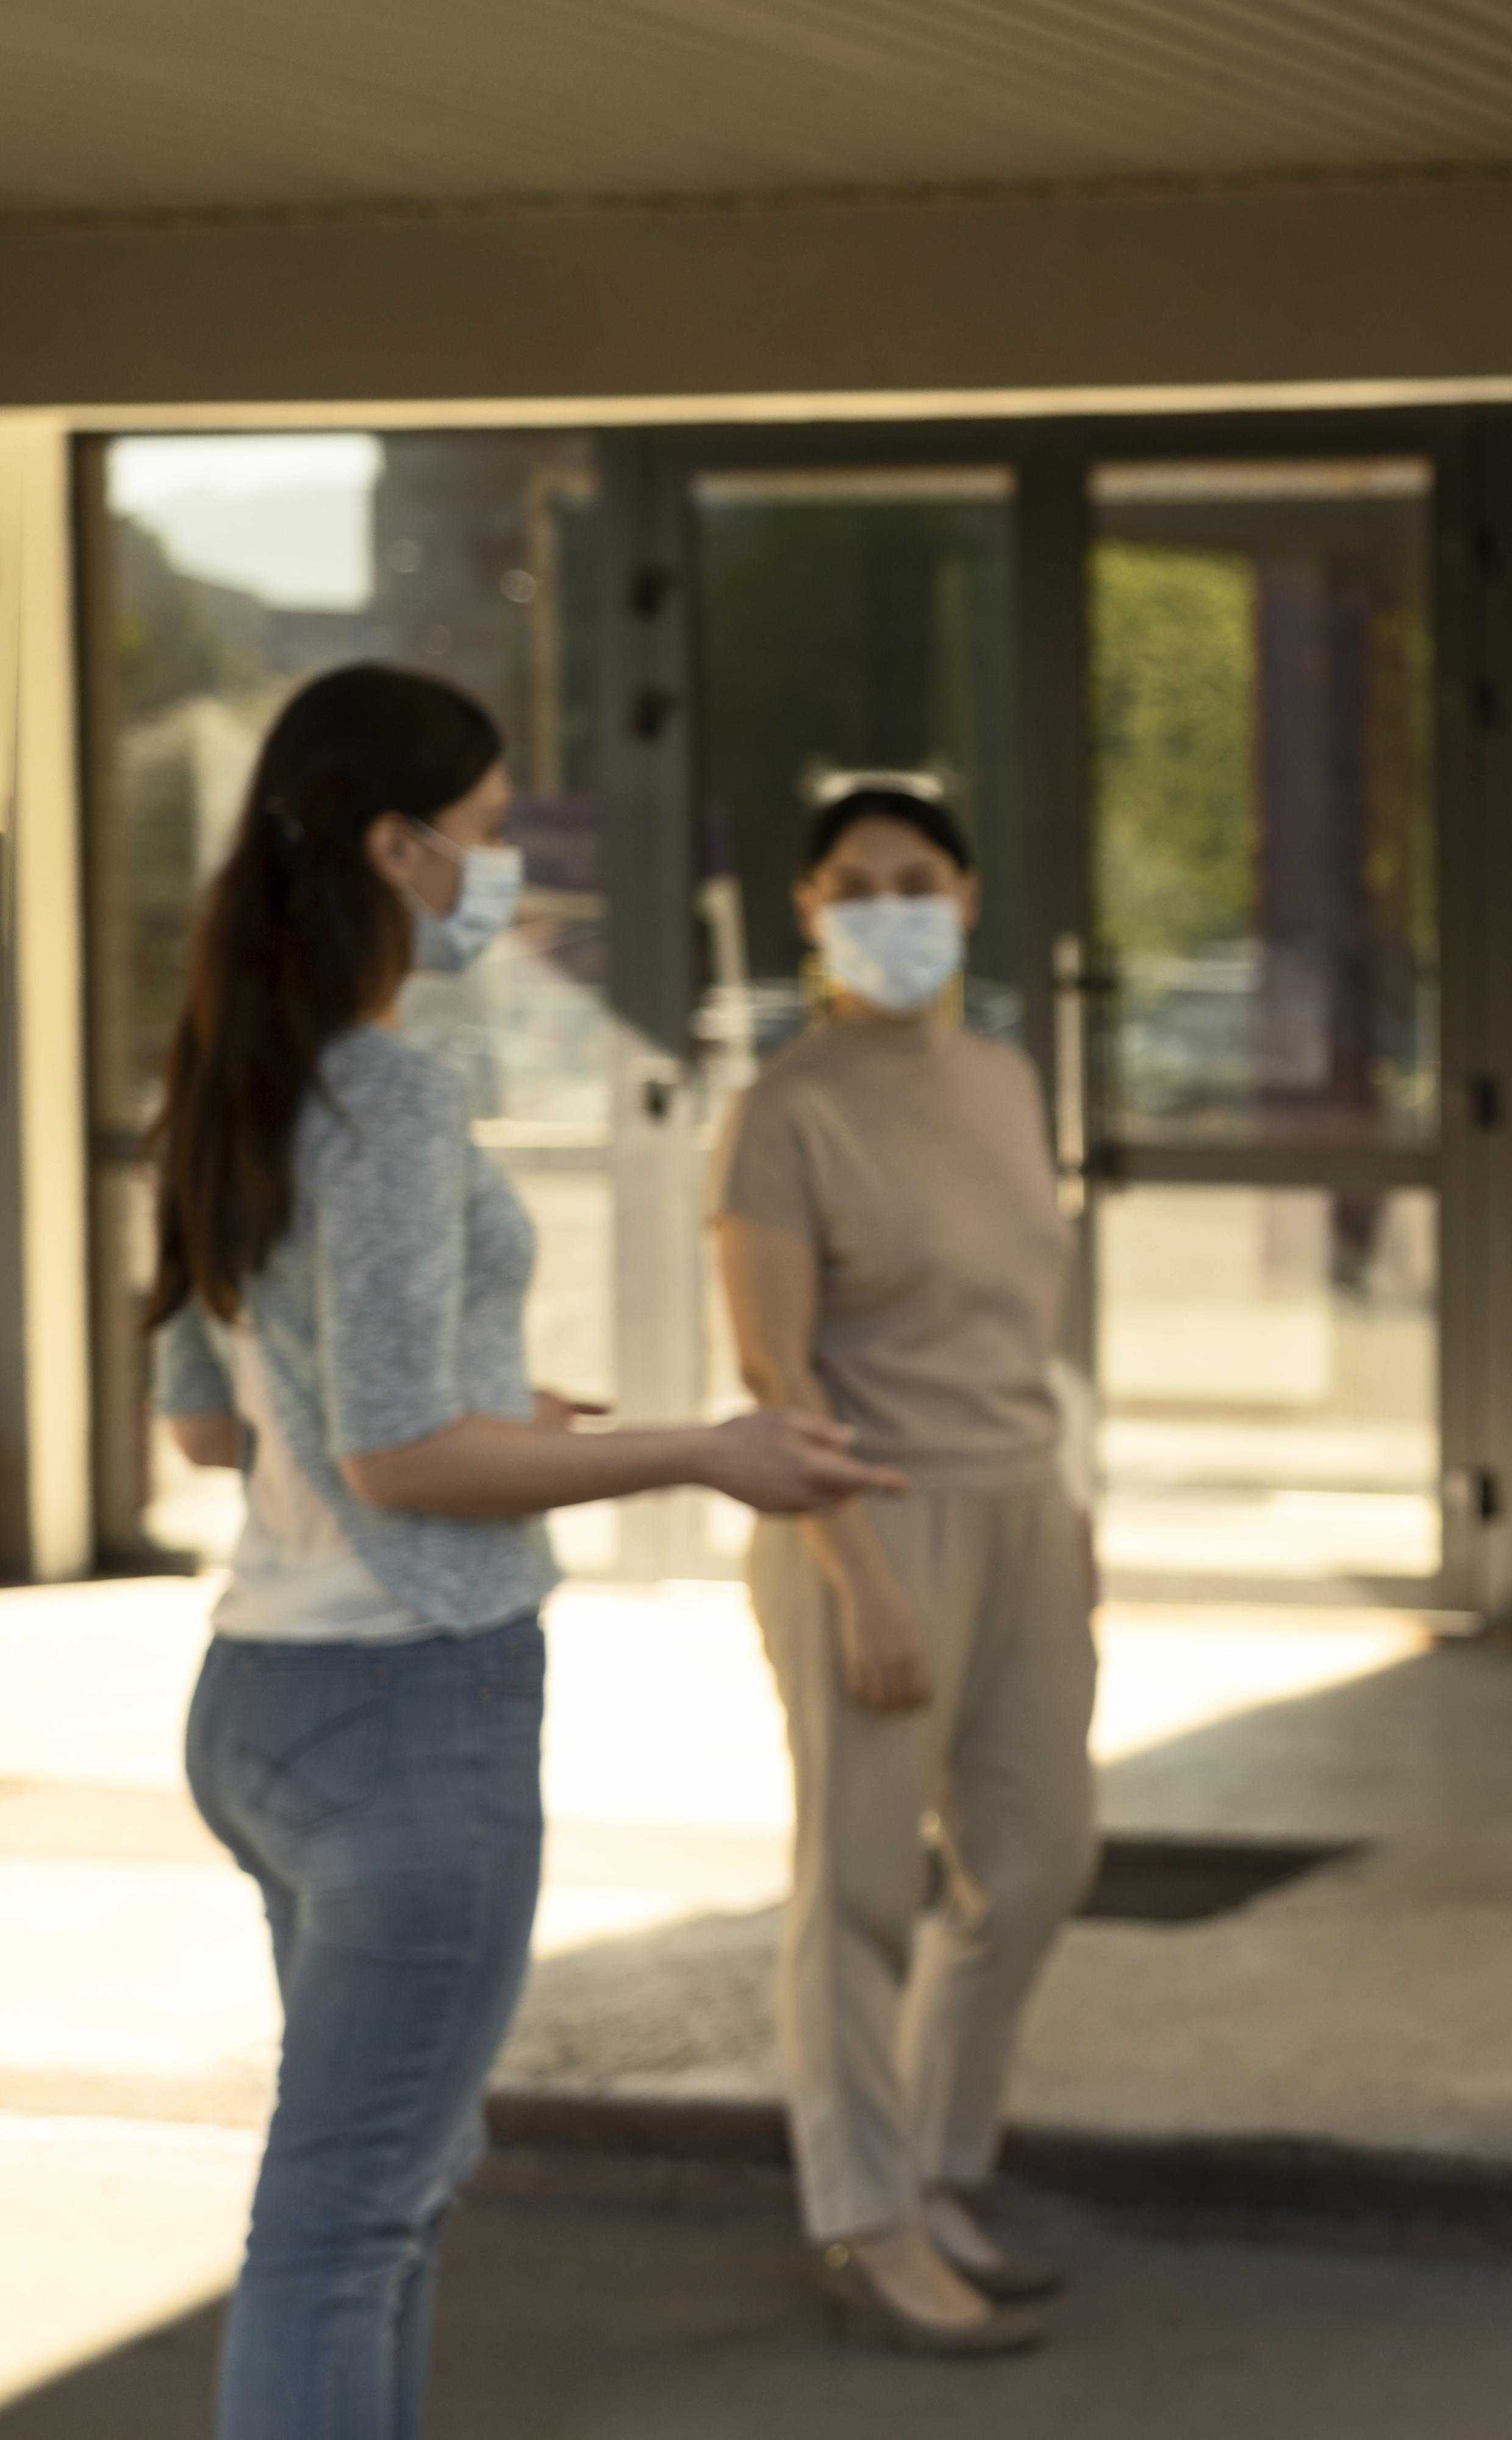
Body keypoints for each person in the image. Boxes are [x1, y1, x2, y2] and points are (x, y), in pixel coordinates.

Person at [149, 664, 901, 2440]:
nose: (509, 872)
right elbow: (399, 1455)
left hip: (262, 1700)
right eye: (487, 837)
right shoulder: (386, 1097)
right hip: (411, 1714)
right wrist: (705, 1449)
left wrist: (517, 1400)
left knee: (368, 2211)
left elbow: (216, 1415)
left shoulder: (233, 1077)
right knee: (346, 2231)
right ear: (395, 849)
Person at [712, 778, 1101, 2355]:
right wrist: (857, 1574)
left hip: (1021, 1504)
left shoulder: (1004, 1078)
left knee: (1041, 1858)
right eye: (857, 884)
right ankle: (865, 2218)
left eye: (918, 879)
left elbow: (1032, 1324)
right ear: (809, 911)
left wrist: (1069, 1503)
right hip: (864, 1516)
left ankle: (936, 2168)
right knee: (860, 1888)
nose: (892, 907)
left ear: (966, 894)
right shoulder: (783, 1108)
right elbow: (772, 1368)